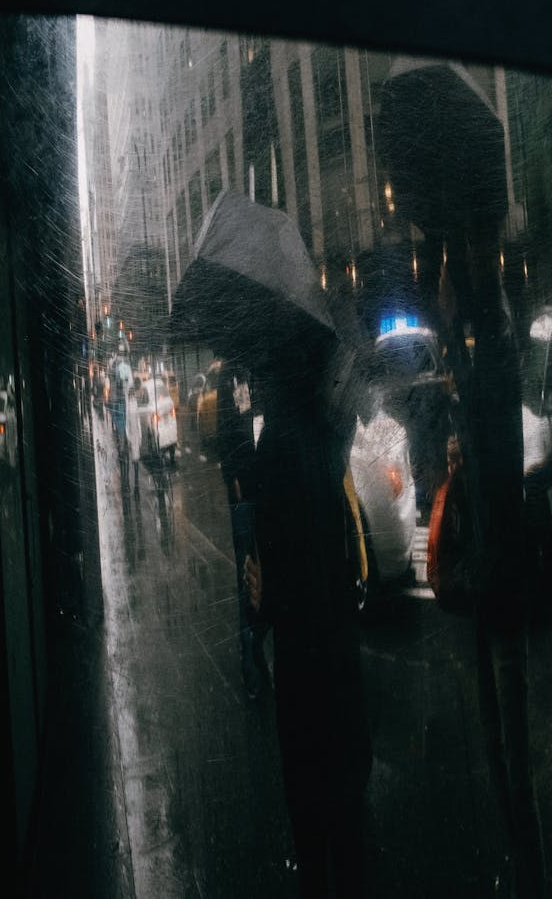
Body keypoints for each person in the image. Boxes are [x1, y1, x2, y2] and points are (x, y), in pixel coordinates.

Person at [244, 330, 372, 898]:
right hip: (340, 660)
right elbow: (337, 555)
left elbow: (280, 582)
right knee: (349, 822)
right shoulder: (329, 436)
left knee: (312, 826)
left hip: (302, 667)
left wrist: (260, 594)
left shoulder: (274, 447)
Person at [439, 230, 546, 899]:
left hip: (499, 577)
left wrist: (450, 334)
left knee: (511, 744)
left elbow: (484, 417)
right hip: (487, 572)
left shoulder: (499, 347)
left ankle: (529, 861)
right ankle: (521, 850)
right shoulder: (493, 351)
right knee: (495, 732)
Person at [215, 357, 269, 699]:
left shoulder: (260, 370)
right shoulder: (229, 374)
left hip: (268, 487)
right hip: (245, 493)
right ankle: (251, 666)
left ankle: (260, 657)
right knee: (247, 576)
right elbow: (226, 433)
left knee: (266, 573)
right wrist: (234, 479)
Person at [126, 375, 143, 496]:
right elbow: (127, 423)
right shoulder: (128, 407)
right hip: (132, 434)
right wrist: (128, 437)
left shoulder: (135, 405)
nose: (132, 396)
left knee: (136, 458)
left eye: (133, 395)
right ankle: (135, 483)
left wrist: (140, 435)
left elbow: (138, 422)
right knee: (134, 458)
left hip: (136, 433)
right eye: (131, 395)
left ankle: (136, 483)